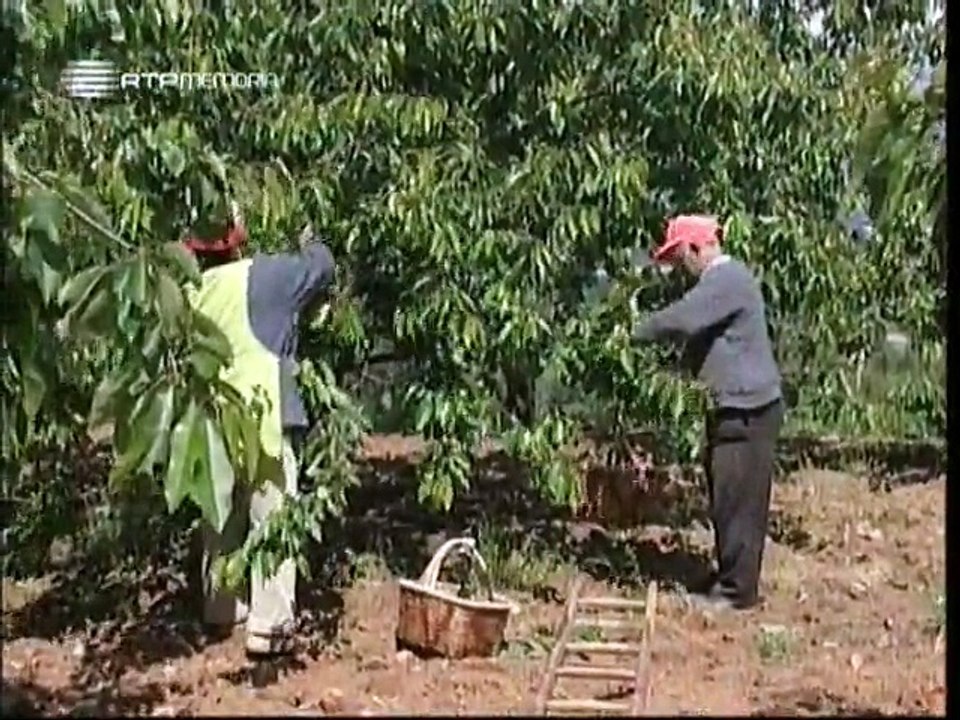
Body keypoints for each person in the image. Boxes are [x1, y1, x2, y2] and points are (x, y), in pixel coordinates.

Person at [183, 204, 335, 655]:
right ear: (238, 240)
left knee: (220, 517)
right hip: (262, 414)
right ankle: (269, 628)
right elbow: (321, 268)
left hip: (211, 420)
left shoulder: (190, 293)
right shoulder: (264, 277)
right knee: (272, 518)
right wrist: (309, 239)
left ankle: (222, 610)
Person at [632, 214, 783, 611]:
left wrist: (632, 332)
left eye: (679, 257)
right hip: (735, 407)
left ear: (694, 248)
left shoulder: (726, 280)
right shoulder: (721, 282)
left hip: (747, 409)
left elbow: (682, 319)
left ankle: (738, 592)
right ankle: (729, 575)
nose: (680, 268)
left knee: (740, 502)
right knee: (727, 498)